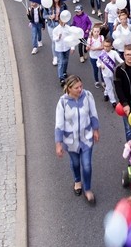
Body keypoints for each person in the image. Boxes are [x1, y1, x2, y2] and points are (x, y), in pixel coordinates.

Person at [55, 75, 99, 204]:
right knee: (75, 163)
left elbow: (93, 113)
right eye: (76, 87)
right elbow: (59, 124)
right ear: (69, 88)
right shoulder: (62, 102)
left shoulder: (88, 96)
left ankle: (88, 189)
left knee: (86, 165)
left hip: (86, 138)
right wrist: (58, 143)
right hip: (71, 141)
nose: (80, 89)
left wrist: (95, 129)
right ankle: (77, 181)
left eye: (81, 86)